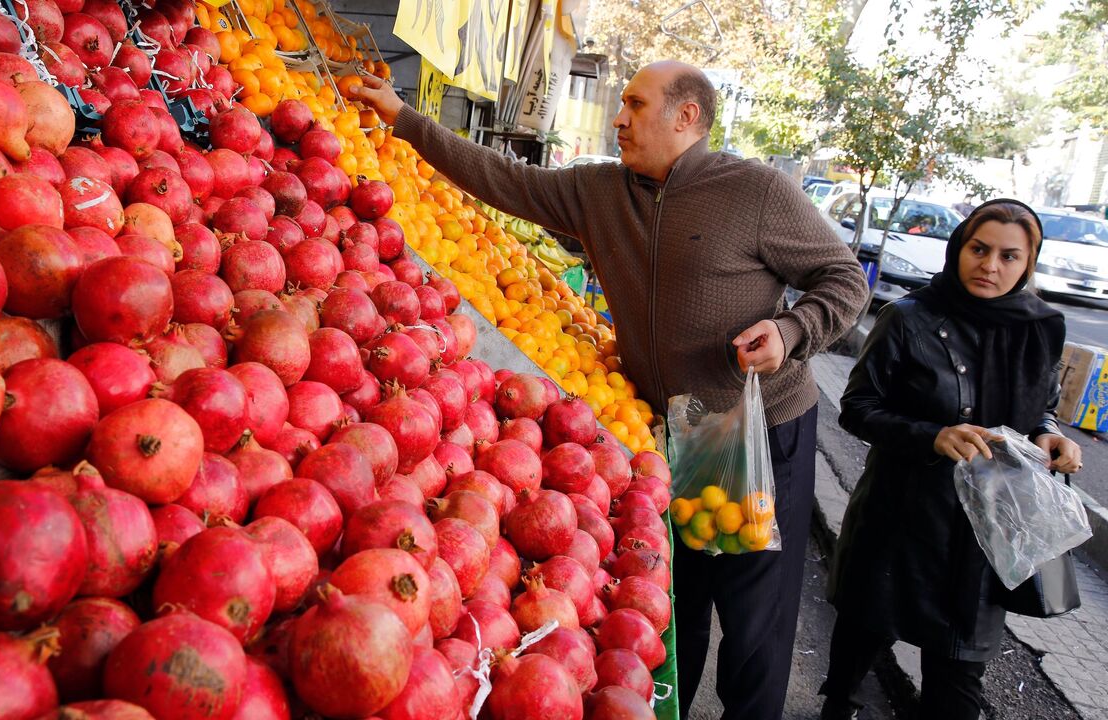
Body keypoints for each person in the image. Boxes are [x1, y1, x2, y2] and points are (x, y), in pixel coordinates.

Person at [354, 62, 870, 719]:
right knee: (677, 600)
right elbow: (507, 181)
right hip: (664, 431)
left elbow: (844, 277)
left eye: (635, 103)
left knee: (751, 619)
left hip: (746, 429)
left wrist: (792, 329)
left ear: (687, 117)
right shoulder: (603, 190)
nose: (617, 118)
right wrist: (407, 121)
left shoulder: (755, 192)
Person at [820, 200, 1083, 720]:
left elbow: (1042, 407)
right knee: (860, 643)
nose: (990, 266)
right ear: (958, 247)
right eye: (979, 249)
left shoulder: (1039, 327)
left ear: (1028, 263)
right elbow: (857, 408)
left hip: (986, 535)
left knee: (957, 682)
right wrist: (933, 436)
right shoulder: (909, 319)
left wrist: (1051, 437)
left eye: (1009, 256)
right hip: (902, 519)